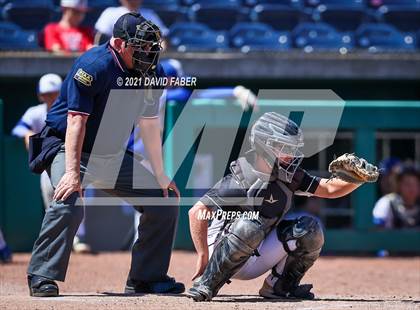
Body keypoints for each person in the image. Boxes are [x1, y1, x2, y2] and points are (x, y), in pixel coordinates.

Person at [26, 12, 183, 297]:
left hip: (109, 153)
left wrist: (160, 174)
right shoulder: (93, 65)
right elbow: (76, 121)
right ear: (121, 44)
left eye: (151, 46)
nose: (148, 52)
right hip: (67, 145)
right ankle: (41, 275)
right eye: (141, 46)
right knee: (67, 198)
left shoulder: (152, 73)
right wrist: (73, 172)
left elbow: (149, 125)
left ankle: (146, 277)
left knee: (164, 198)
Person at [186, 112, 378, 301]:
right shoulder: (240, 180)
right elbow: (196, 212)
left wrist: (358, 179)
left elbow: (329, 189)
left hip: (255, 254)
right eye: (283, 147)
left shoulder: (289, 176)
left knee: (310, 229)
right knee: (250, 225)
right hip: (221, 251)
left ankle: (279, 287)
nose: (291, 154)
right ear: (263, 145)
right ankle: (207, 283)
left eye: (292, 148)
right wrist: (203, 255)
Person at [11, 74, 91, 254]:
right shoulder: (35, 112)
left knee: (78, 196)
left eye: (54, 93)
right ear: (41, 95)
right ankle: (58, 239)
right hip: (48, 160)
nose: (51, 97)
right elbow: (18, 128)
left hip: (70, 158)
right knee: (51, 197)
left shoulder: (71, 108)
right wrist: (28, 133)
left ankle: (77, 238)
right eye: (47, 94)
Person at [94, 0, 168, 45]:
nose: (133, 1)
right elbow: (99, 38)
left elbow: (162, 40)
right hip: (116, 57)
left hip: (144, 59)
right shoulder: (110, 12)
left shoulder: (149, 14)